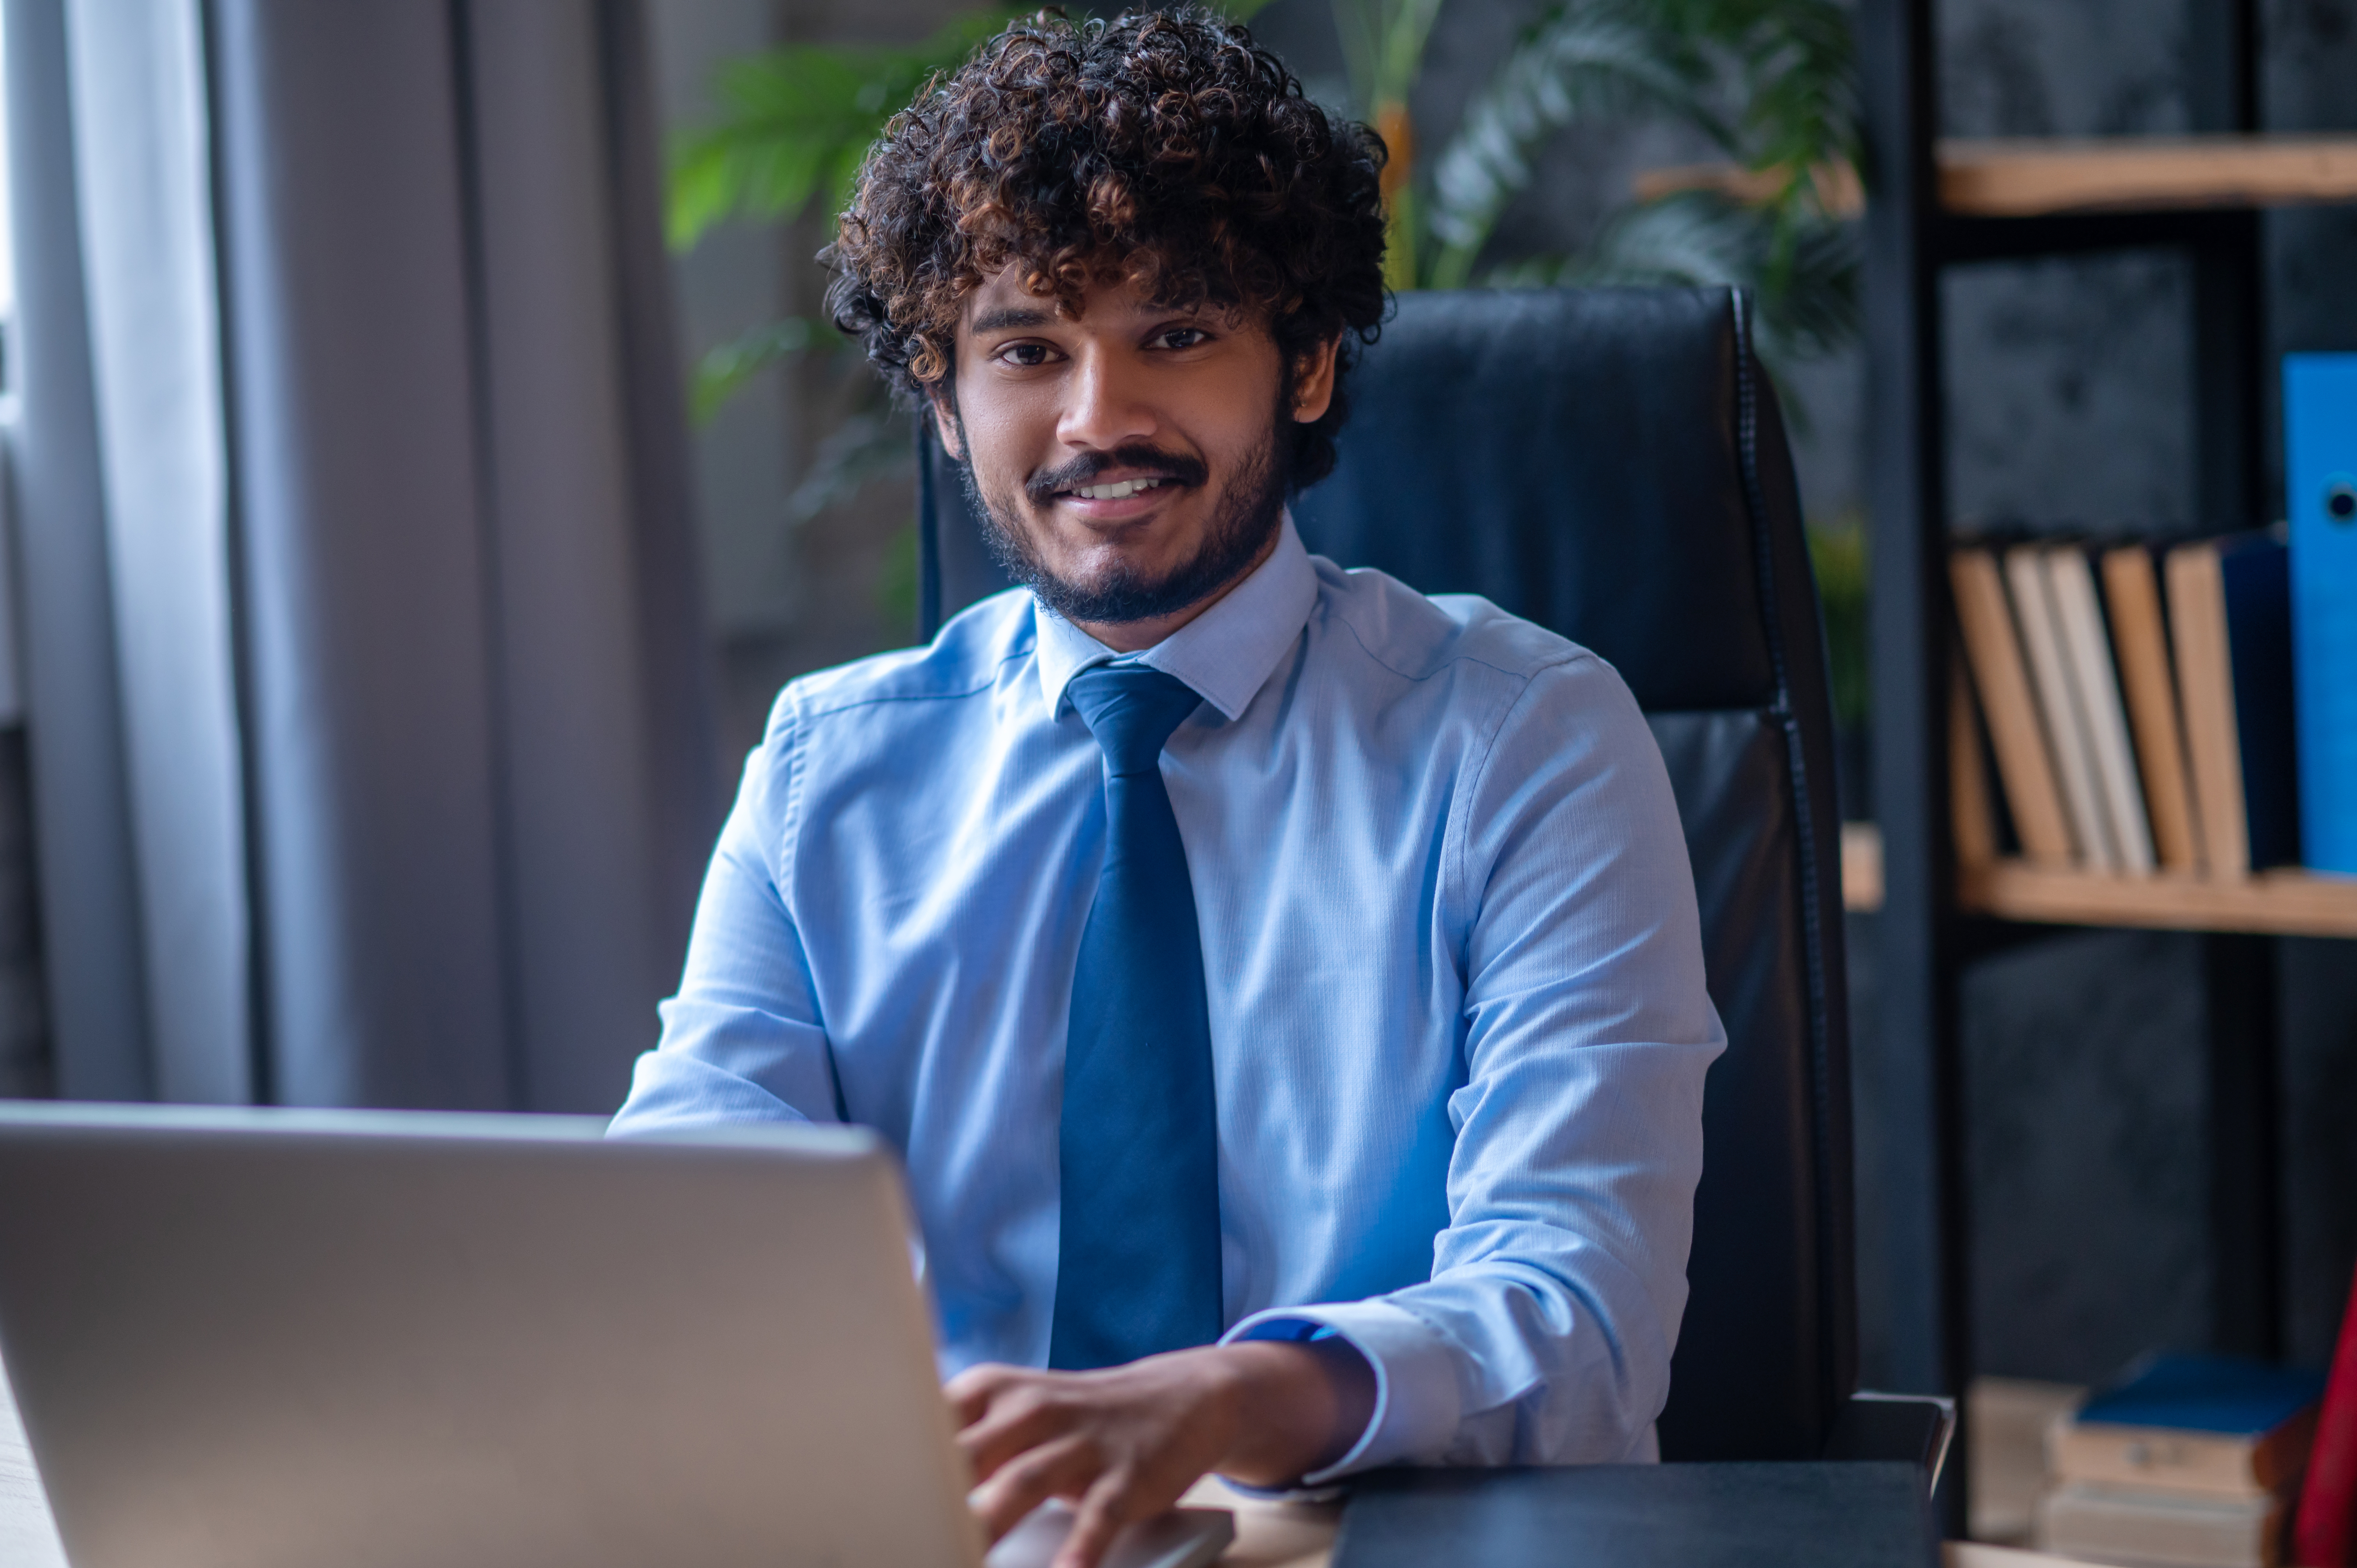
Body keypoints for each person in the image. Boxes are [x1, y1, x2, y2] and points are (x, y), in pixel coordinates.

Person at [611, 9, 1724, 1566]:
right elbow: (674, 1243)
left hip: (1366, 1539)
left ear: (1312, 365)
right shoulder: (825, 775)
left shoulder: (1525, 741)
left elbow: (1579, 1315)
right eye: (1025, 351)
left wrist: (1216, 1402)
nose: (1097, 417)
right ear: (945, 404)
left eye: (1178, 333)